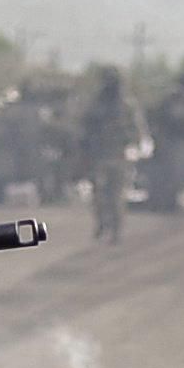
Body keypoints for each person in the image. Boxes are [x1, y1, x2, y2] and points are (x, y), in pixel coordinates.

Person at [74, 64, 145, 243]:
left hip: (113, 155)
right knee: (104, 195)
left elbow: (136, 130)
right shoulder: (108, 104)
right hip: (103, 155)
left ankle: (113, 229)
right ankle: (106, 225)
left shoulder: (124, 105)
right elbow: (83, 129)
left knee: (111, 195)